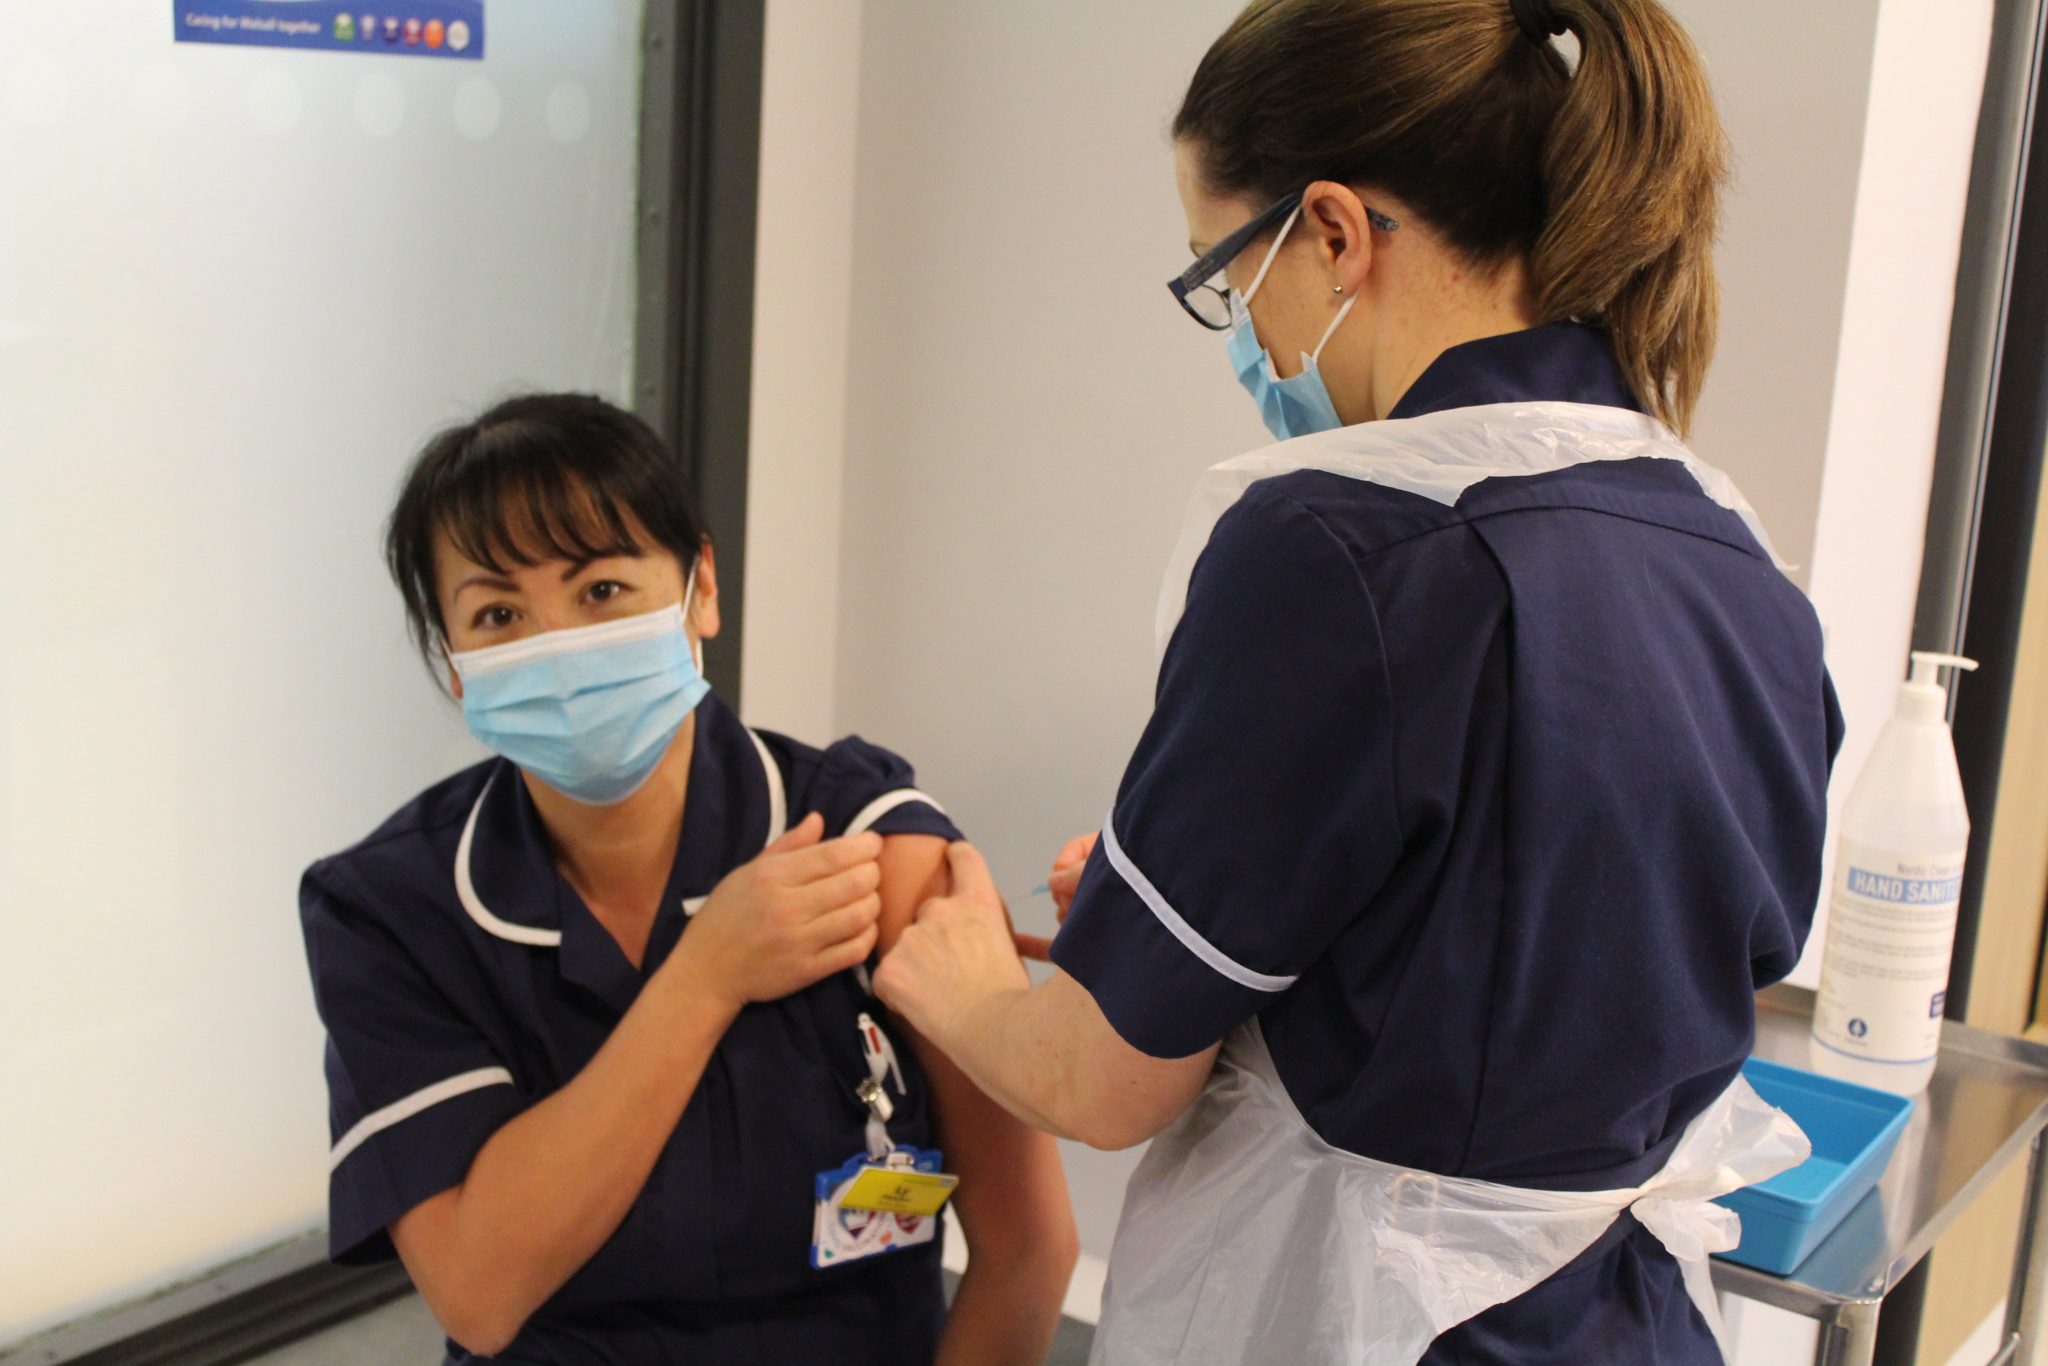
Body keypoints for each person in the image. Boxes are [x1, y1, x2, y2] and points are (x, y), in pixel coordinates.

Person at [873, 0, 1841, 1361]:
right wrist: (1204, 929)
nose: (1241, 337)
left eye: (1224, 271)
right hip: (1624, 1320)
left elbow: (1103, 1083)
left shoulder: (1339, 545)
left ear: (1330, 232)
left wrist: (961, 987)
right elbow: (1567, 955)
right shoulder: (1730, 554)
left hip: (1377, 1319)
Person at [298, 394, 1076, 1364]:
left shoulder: (875, 847)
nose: (559, 645)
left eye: (601, 591)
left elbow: (1028, 1252)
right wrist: (706, 976)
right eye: (498, 613)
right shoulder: (390, 910)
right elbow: (478, 1292)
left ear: (699, 586)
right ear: (454, 665)